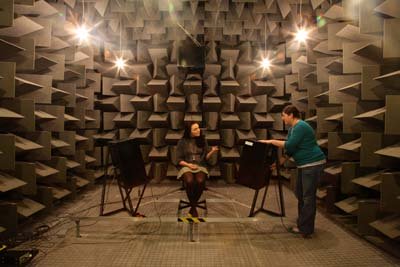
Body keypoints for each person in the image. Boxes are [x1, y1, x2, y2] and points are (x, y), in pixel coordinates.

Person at [260, 105, 326, 238]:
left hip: (312, 164)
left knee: (308, 198)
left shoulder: (301, 126)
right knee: (300, 194)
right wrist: (278, 164)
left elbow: (289, 144)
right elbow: (290, 150)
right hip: (304, 166)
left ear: (290, 115)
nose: (283, 119)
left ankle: (305, 229)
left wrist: (271, 141)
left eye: (283, 116)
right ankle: (303, 223)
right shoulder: (292, 129)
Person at [177, 122, 219, 217]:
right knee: (189, 181)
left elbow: (206, 158)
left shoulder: (203, 140)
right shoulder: (182, 142)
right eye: (195, 129)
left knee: (200, 181)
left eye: (198, 128)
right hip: (187, 165)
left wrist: (212, 151)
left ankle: (193, 206)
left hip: (200, 165)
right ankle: (194, 206)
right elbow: (178, 160)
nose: (199, 130)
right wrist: (189, 165)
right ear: (190, 132)